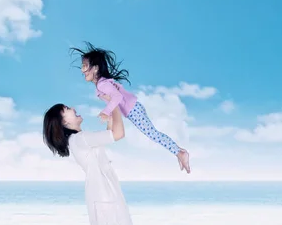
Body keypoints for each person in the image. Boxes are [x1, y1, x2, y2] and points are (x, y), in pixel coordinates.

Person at [42, 101, 141, 225]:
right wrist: (114, 103)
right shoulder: (80, 139)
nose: (72, 109)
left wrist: (111, 113)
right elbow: (118, 135)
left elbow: (110, 133)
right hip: (103, 196)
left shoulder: (80, 140)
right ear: (63, 122)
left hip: (101, 194)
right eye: (66, 110)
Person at [70, 42, 191, 174]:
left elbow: (116, 97)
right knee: (153, 133)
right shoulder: (102, 84)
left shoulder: (102, 85)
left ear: (95, 68)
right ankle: (179, 151)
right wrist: (109, 116)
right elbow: (114, 99)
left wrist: (106, 112)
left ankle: (179, 153)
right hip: (134, 108)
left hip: (133, 109)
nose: (82, 71)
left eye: (85, 66)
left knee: (153, 134)